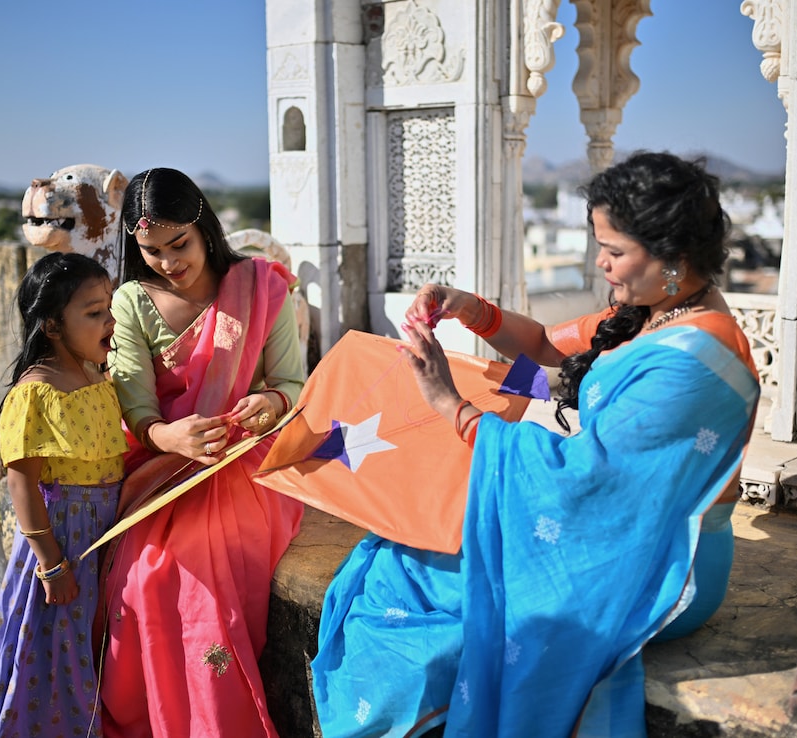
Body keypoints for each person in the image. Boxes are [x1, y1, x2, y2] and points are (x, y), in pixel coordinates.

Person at [310, 151, 761, 737]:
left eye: (615, 251)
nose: (600, 263)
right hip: (607, 529)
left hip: (665, 562)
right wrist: (466, 308)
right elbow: (549, 350)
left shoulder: (696, 365)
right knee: (397, 556)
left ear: (674, 256)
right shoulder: (652, 313)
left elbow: (583, 477)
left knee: (417, 583)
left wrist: (452, 406)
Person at [100, 167, 305, 737]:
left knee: (200, 571)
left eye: (179, 245)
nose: (168, 262)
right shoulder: (132, 303)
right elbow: (136, 408)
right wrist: (170, 436)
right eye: (152, 251)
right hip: (166, 470)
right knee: (146, 575)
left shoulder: (261, 285)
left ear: (204, 228)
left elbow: (292, 383)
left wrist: (269, 401)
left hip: (247, 462)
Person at [0, 252, 130, 738]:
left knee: (90, 651)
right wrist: (52, 563)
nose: (109, 321)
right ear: (51, 325)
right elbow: (21, 482)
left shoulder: (97, 377)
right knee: (55, 658)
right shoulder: (35, 392)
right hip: (64, 542)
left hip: (104, 532)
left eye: (109, 308)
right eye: (93, 312)